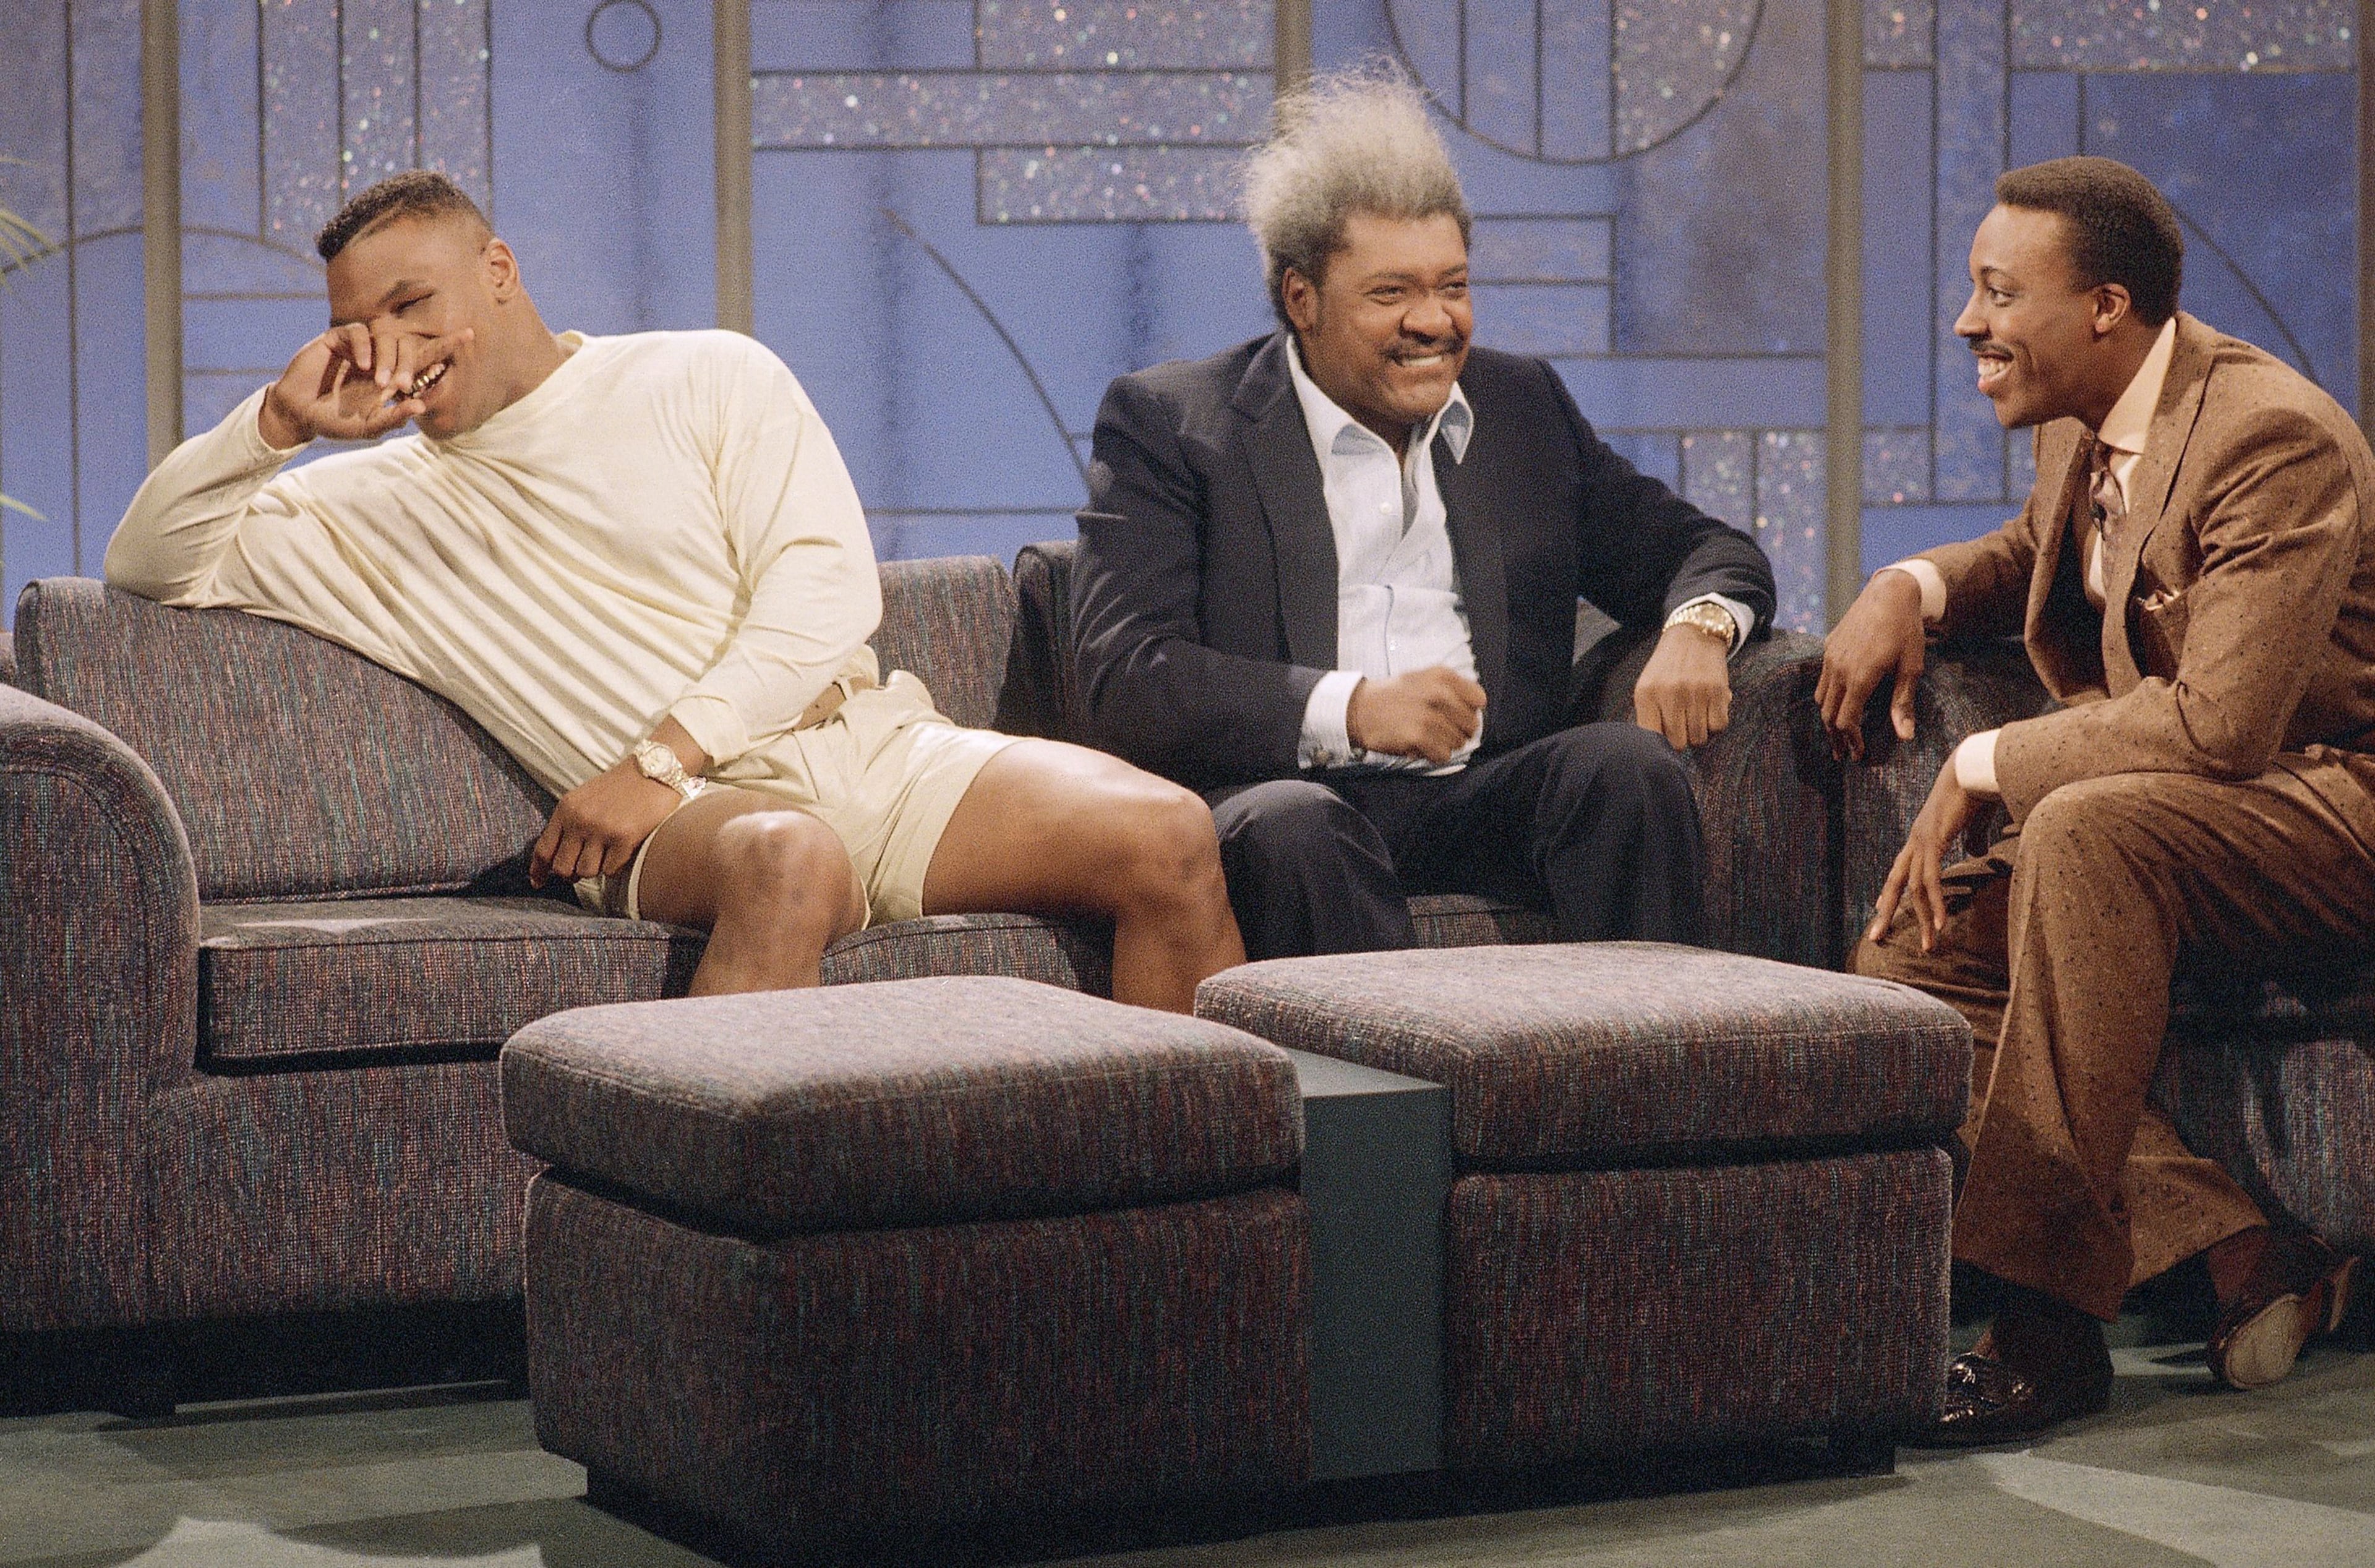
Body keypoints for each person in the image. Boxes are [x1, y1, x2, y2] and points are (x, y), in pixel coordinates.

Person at [105, 171, 1244, 1011]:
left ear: (498, 272)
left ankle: (1179, 1249)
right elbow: (148, 563)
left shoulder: (707, 373)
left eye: (412, 304)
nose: (388, 344)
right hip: (705, 830)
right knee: (793, 858)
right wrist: (278, 424)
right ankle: (719, 1262)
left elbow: (826, 589)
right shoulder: (363, 508)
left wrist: (658, 760)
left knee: (1167, 833)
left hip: (868, 754)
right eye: (357, 326)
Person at [1820, 156, 2374, 1442]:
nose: (1970, 321)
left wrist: (1983, 763)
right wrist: (1914, 583)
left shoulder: (2270, 435)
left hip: (2333, 795)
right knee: (1911, 961)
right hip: (2201, 809)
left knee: (2082, 823)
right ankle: (2241, 1248)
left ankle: (2044, 1331)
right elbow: (2048, 553)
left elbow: (2226, 724)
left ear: (2107, 306)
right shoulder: (2090, 413)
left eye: (1999, 292)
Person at [1070, 69, 1775, 960]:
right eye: (1391, 293)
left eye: (1453, 286)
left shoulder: (1520, 407)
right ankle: (1391, 1100)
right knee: (1300, 827)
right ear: (1302, 299)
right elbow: (1127, 676)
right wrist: (1354, 709)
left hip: (1476, 795)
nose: (1434, 322)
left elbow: (1701, 547)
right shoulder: (1178, 426)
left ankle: (1645, 1085)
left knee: (1625, 770)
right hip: (1282, 798)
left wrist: (1701, 625)